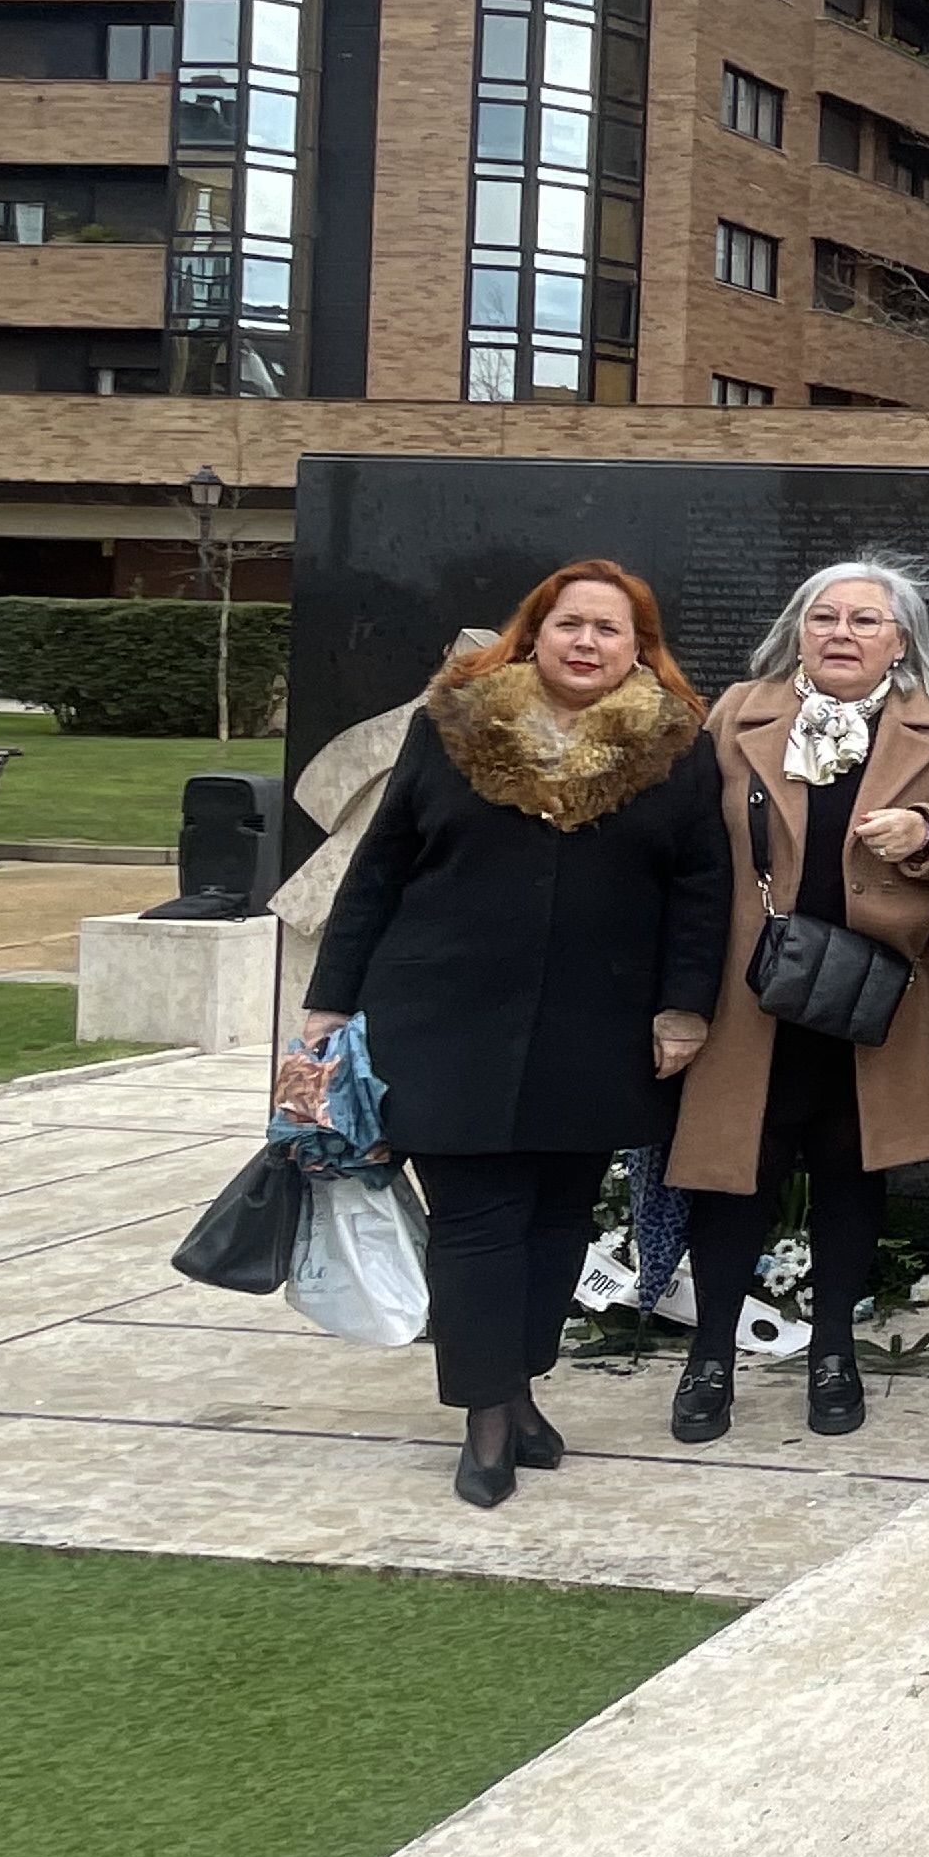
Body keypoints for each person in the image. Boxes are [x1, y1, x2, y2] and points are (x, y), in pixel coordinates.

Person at [300, 560, 728, 1507]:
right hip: (443, 1018)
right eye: (569, 624)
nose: (587, 643)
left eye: (610, 631)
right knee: (478, 1218)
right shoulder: (452, 726)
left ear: (638, 651)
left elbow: (702, 888)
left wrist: (684, 1005)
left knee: (557, 1220)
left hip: (599, 1024)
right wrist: (329, 1005)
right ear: (533, 633)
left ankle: (520, 1385)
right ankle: (487, 1418)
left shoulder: (676, 747)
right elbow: (378, 868)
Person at [666, 562, 929, 1446]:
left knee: (853, 1174)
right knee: (734, 1181)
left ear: (901, 640)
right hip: (749, 996)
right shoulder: (737, 714)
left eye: (866, 620)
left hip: (872, 998)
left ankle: (833, 1350)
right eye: (824, 617)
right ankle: (710, 1357)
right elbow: (693, 847)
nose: (842, 633)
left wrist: (928, 834)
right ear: (797, 630)